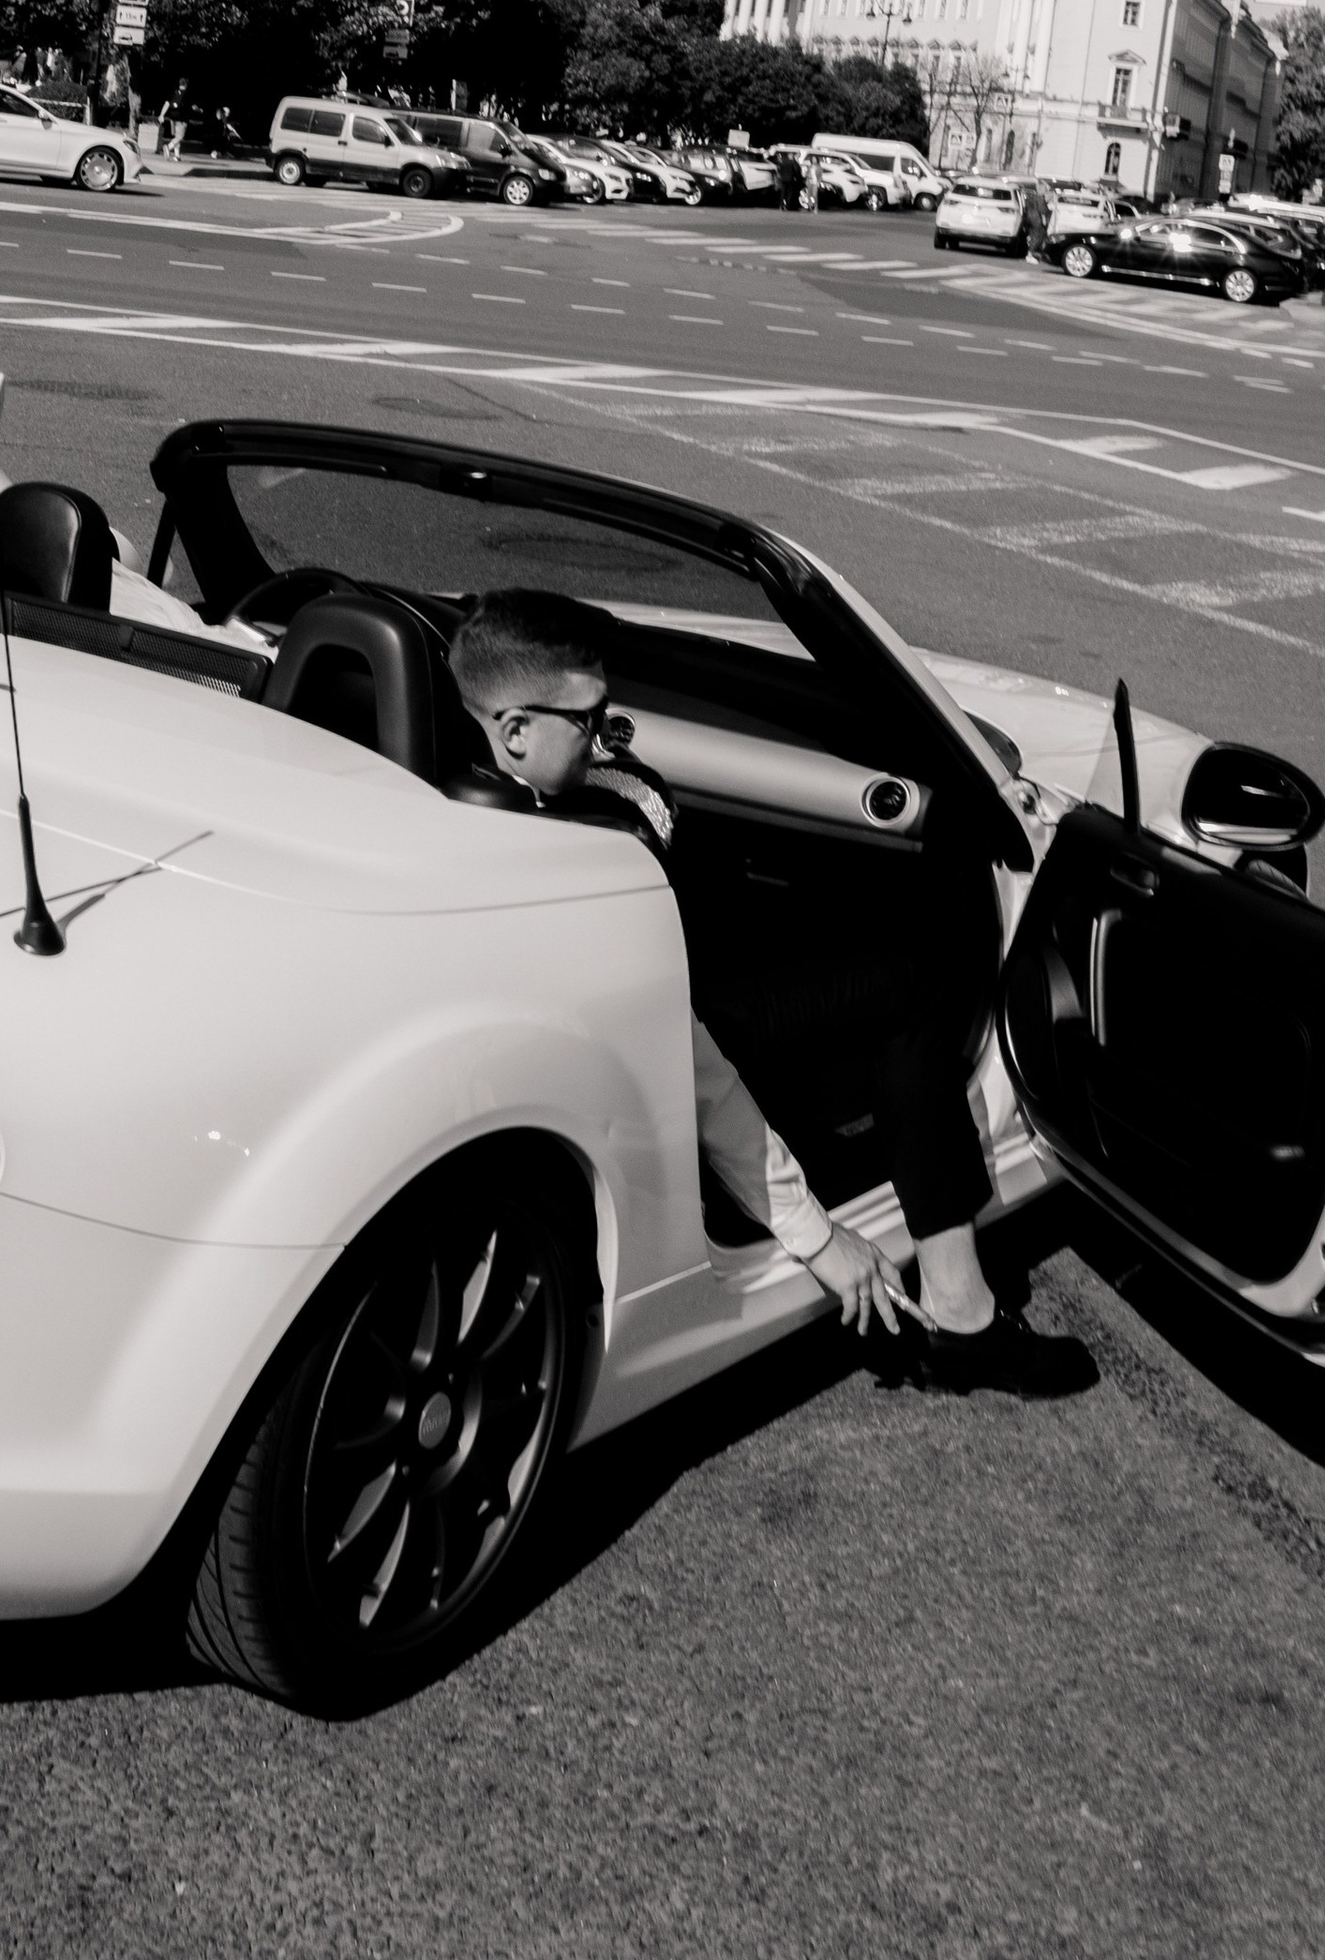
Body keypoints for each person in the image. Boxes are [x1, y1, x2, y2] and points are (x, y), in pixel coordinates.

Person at [448, 589, 1091, 1401]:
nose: (610, 732)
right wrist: (820, 1237)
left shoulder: (429, 770)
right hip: (667, 1032)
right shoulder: (592, 852)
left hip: (636, 999)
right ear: (513, 730)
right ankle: (960, 1312)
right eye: (591, 719)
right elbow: (694, 1064)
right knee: (913, 984)